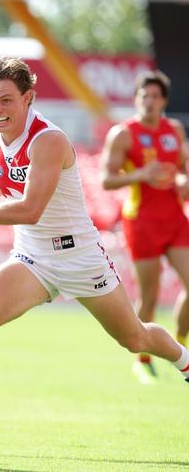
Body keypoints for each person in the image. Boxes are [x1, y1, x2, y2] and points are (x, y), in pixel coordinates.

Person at [0, 56, 189, 446]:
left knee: (134, 338)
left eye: (6, 101)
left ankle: (184, 361)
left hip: (79, 257)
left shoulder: (49, 140)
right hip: (32, 257)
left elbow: (30, 209)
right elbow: (1, 178)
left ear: (29, 97)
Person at [101, 70, 189, 384]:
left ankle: (179, 345)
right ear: (137, 99)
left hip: (176, 220)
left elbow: (182, 168)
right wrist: (140, 174)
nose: (149, 102)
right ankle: (143, 360)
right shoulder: (123, 134)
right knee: (149, 298)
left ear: (163, 100)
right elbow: (106, 179)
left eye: (154, 96)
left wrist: (183, 180)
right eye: (143, 96)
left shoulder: (174, 130)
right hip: (142, 222)